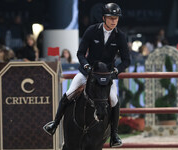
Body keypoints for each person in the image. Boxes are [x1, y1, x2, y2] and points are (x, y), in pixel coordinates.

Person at [43, 3, 130, 148]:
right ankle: (55, 123)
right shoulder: (92, 31)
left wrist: (117, 70)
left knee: (114, 100)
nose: (114, 21)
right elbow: (80, 53)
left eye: (116, 18)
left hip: (107, 76)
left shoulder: (120, 36)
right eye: (111, 18)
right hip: (88, 73)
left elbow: (127, 60)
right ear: (104, 18)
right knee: (69, 93)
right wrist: (86, 65)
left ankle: (114, 135)